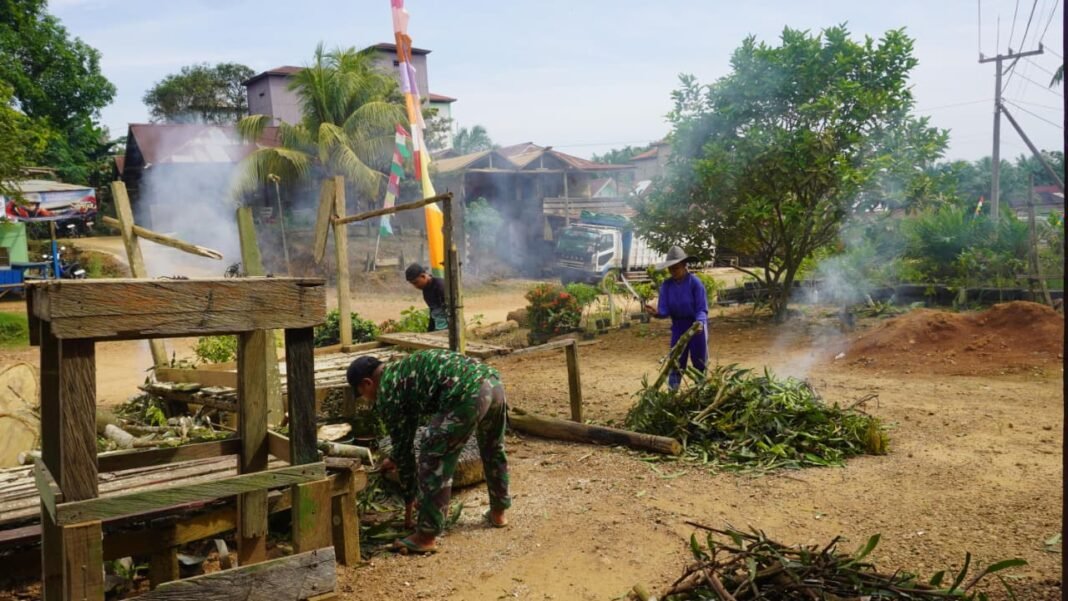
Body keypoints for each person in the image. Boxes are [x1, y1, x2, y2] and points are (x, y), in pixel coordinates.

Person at [347, 349, 511, 554]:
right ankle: (498, 511)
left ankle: (426, 535)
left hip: (466, 394)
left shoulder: (387, 391)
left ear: (367, 383)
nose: (366, 399)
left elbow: (405, 449)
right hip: (492, 382)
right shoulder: (402, 371)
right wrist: (394, 457)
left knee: (434, 456)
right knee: (492, 447)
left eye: (361, 394)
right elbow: (406, 432)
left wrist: (409, 500)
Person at [643, 246, 708, 389]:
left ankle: (701, 391)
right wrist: (656, 313)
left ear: (684, 266)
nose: (673, 272)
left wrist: (700, 323)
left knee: (699, 361)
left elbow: (702, 309)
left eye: (676, 268)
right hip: (678, 326)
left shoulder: (695, 284)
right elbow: (664, 310)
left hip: (696, 326)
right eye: (670, 269)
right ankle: (672, 393)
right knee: (676, 361)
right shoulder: (667, 285)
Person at [405, 263, 448, 332]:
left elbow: (451, 311)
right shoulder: (426, 290)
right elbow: (433, 311)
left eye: (416, 282)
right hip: (439, 327)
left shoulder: (440, 286)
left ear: (423, 276)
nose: (415, 286)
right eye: (412, 284)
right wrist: (430, 331)